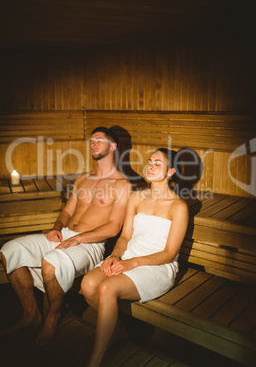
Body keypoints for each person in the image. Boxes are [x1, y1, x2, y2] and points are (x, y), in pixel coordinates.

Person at [0, 127, 131, 345]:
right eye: (92, 140)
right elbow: (68, 211)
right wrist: (57, 227)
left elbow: (114, 227)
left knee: (51, 264)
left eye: (99, 139)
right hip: (64, 235)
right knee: (9, 251)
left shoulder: (122, 185)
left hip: (90, 244)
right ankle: (31, 314)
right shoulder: (82, 179)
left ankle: (53, 316)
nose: (93, 143)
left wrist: (79, 238)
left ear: (113, 146)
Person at [81, 148, 189, 367]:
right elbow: (126, 236)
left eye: (157, 163)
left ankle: (95, 360)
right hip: (129, 255)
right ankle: (118, 331)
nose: (150, 166)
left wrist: (132, 263)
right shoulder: (137, 198)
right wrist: (114, 256)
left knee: (106, 288)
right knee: (88, 284)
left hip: (157, 265)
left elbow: (169, 253)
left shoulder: (178, 207)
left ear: (170, 172)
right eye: (149, 161)